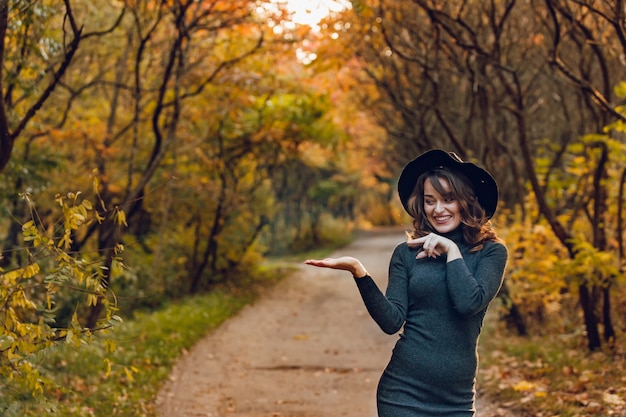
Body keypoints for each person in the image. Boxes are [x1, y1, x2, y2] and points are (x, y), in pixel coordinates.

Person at [304, 149, 508, 417]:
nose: (438, 209)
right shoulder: (407, 253)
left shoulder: (490, 252)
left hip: (456, 400)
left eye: (448, 199)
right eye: (429, 201)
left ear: (465, 200)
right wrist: (359, 272)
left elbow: (468, 303)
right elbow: (391, 322)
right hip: (402, 394)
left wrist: (451, 251)